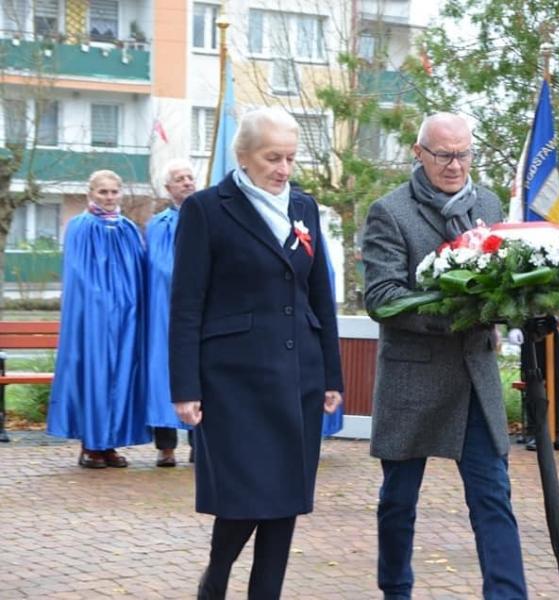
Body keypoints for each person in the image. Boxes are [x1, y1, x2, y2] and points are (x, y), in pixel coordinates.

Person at [169, 107, 343, 599]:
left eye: (290, 158)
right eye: (273, 158)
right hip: (233, 382)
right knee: (244, 498)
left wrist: (332, 373)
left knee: (286, 499)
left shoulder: (303, 208)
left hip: (297, 377)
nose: (283, 169)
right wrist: (185, 387)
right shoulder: (206, 209)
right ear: (243, 156)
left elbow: (319, 295)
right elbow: (185, 304)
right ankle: (216, 576)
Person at [363, 112, 527, 599]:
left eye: (464, 154)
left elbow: (506, 278)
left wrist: (524, 307)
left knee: (493, 496)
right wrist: (456, 311)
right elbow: (383, 297)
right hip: (412, 381)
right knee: (398, 502)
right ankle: (395, 590)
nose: (455, 166)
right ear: (419, 153)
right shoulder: (389, 212)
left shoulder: (490, 203)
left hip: (475, 379)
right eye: (443, 155)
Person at [46, 170, 150, 467]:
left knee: (122, 373)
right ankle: (91, 444)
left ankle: (110, 444)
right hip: (92, 318)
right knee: (95, 373)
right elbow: (79, 274)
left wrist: (133, 304)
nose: (108, 197)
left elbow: (139, 271)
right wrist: (102, 302)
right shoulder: (81, 227)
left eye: (113, 192)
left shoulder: (128, 229)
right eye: (102, 192)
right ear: (91, 193)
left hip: (126, 317)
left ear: (120, 194)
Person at [146, 158, 196, 467]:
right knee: (162, 374)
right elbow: (154, 267)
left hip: (198, 312)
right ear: (168, 188)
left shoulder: (208, 218)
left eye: (190, 177)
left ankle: (199, 444)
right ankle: (166, 447)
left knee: (197, 373)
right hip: (163, 312)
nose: (188, 182)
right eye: (180, 179)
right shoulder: (157, 225)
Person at [519, 324, 559, 452]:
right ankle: (533, 432)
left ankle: (556, 432)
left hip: (557, 330)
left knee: (556, 382)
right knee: (533, 379)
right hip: (532, 330)